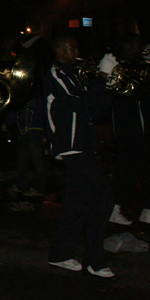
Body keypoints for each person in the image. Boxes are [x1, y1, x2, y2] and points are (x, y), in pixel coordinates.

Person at [44, 34, 116, 278]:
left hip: (83, 146)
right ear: (60, 49)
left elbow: (96, 110)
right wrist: (102, 76)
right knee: (101, 200)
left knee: (77, 205)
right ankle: (95, 261)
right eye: (72, 46)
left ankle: (60, 254)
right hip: (71, 146)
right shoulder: (56, 74)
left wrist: (104, 82)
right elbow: (82, 105)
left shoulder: (73, 74)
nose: (77, 51)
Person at [108, 34, 150, 226]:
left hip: (141, 127)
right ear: (126, 46)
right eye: (135, 45)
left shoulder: (139, 67)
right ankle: (114, 208)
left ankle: (148, 211)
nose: (139, 49)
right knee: (127, 169)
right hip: (127, 127)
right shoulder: (116, 66)